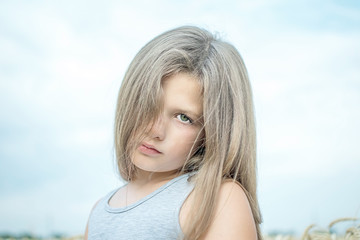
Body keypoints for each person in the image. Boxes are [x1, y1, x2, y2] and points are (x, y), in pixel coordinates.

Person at [85, 25, 262, 240]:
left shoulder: (215, 199)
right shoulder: (99, 212)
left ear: (211, 134)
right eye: (147, 104)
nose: (155, 130)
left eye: (183, 118)